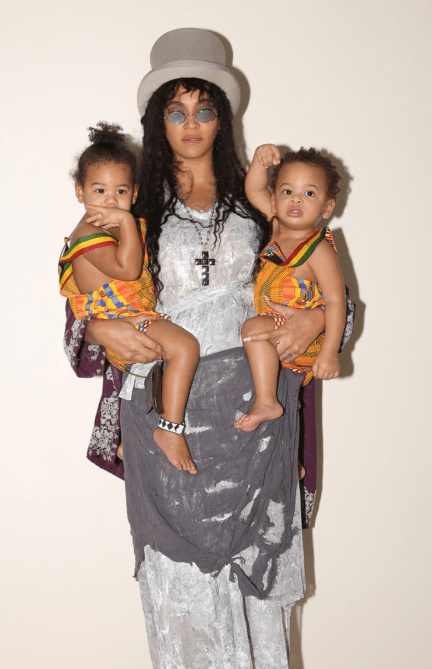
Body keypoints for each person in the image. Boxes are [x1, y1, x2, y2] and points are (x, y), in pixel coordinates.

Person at [63, 28, 354, 668]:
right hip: (169, 416)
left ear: (223, 117)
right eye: (176, 111)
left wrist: (315, 321)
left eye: (204, 109)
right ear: (157, 120)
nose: (191, 124)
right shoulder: (131, 202)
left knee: (258, 600)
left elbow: (326, 286)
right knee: (181, 595)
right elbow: (86, 290)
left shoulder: (264, 201)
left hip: (255, 416)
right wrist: (98, 329)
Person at [59, 122, 199, 473]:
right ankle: (170, 429)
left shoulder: (122, 229)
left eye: (120, 191)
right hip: (121, 322)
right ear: (80, 191)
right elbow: (128, 269)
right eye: (100, 190)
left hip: (130, 316)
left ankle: (127, 441)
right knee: (185, 349)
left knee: (163, 370)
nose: (110, 200)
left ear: (134, 192)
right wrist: (125, 221)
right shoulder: (87, 234)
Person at [234, 144, 346, 433]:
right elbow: (254, 190)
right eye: (287, 191)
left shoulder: (317, 249)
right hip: (277, 334)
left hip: (303, 340)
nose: (296, 198)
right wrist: (260, 162)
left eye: (309, 193)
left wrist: (329, 352)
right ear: (274, 201)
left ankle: (266, 402)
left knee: (252, 330)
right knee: (253, 333)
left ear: (327, 207)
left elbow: (336, 301)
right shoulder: (275, 229)